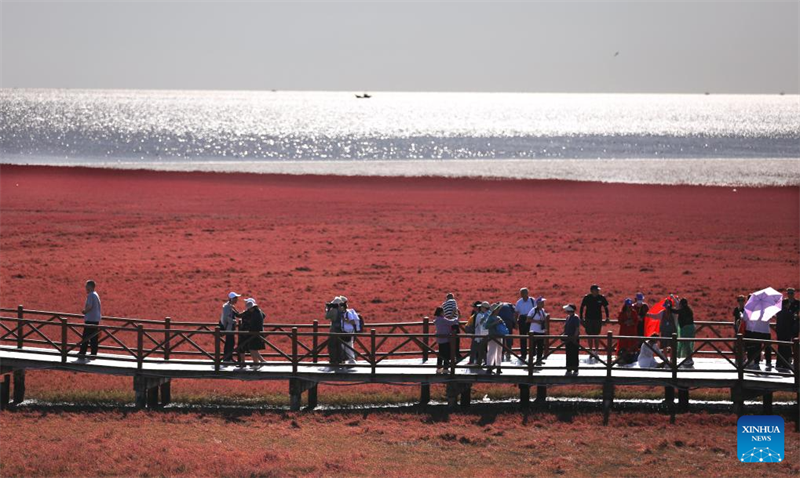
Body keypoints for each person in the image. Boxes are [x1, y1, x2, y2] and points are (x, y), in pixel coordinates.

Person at [580, 284, 609, 362]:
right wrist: (581, 318)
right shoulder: (587, 298)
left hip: (598, 319)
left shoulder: (601, 298)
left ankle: (596, 351)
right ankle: (590, 351)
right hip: (589, 319)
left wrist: (607, 317)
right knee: (589, 335)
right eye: (596, 290)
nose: (598, 291)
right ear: (592, 291)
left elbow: (606, 307)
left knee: (596, 335)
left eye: (598, 290)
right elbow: (582, 307)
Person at [743, 298, 773, 370]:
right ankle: (768, 362)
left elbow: (745, 317)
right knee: (768, 347)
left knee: (757, 347)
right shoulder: (767, 308)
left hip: (756, 330)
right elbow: (770, 317)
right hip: (766, 330)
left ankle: (756, 363)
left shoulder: (752, 307)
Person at [237, 298, 266, 368]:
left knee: (252, 348)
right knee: (253, 348)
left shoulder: (255, 314)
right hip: (257, 333)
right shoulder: (258, 312)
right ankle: (260, 362)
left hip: (255, 333)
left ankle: (257, 363)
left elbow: (253, 324)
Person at [78, 280, 102, 360]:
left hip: (90, 319)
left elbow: (89, 306)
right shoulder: (96, 294)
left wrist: (84, 311)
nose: (86, 288)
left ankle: (82, 352)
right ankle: (93, 353)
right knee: (93, 338)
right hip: (95, 319)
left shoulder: (91, 295)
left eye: (86, 286)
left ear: (90, 286)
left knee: (86, 336)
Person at [434, 306, 459, 373]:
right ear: (441, 313)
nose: (444, 313)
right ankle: (445, 368)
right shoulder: (442, 320)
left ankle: (439, 368)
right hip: (445, 339)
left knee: (440, 354)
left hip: (439, 340)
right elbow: (451, 322)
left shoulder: (437, 320)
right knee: (446, 354)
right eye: (443, 312)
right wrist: (458, 317)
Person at [219, 292, 243, 363]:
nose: (236, 300)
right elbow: (226, 317)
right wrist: (233, 321)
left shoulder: (231, 306)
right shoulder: (227, 306)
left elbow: (237, 314)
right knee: (229, 343)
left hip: (231, 328)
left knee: (231, 343)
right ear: (231, 299)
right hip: (228, 328)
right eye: (235, 298)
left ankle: (228, 358)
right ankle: (227, 359)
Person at [515, 288, 537, 360]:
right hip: (522, 319)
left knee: (532, 337)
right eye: (521, 293)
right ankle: (523, 354)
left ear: (527, 293)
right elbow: (516, 313)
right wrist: (516, 322)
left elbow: (536, 310)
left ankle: (532, 353)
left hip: (530, 319)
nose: (522, 295)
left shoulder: (532, 300)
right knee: (523, 337)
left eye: (523, 293)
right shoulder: (519, 302)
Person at [616, 298, 639, 365]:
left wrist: (632, 323)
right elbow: (619, 321)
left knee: (632, 344)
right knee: (623, 344)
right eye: (628, 305)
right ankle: (622, 357)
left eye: (630, 305)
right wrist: (625, 323)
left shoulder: (634, 312)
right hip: (624, 331)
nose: (629, 307)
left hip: (632, 331)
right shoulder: (622, 313)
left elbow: (636, 321)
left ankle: (631, 357)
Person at [527, 297, 549, 365]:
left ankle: (539, 360)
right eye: (542, 303)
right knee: (532, 346)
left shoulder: (542, 310)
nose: (543, 304)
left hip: (541, 331)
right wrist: (537, 321)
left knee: (540, 346)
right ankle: (531, 360)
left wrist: (545, 328)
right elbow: (528, 319)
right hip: (534, 331)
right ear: (538, 303)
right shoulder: (533, 310)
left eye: (543, 303)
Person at [485, 304, 506, 374]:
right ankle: (489, 367)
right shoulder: (490, 318)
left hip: (499, 336)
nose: (498, 310)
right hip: (492, 337)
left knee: (499, 352)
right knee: (491, 351)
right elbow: (486, 326)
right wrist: (495, 323)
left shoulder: (498, 317)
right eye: (497, 309)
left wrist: (501, 322)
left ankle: (498, 366)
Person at [468, 302, 491, 366]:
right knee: (483, 349)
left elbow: (481, 325)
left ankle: (477, 362)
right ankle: (483, 362)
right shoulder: (488, 314)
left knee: (478, 349)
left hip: (479, 335)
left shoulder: (479, 315)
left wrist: (481, 335)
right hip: (484, 334)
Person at [340, 296, 361, 365]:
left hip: (348, 331)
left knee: (349, 345)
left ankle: (351, 359)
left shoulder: (348, 313)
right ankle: (348, 359)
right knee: (345, 345)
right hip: (345, 331)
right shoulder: (344, 313)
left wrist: (345, 320)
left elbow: (352, 322)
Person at [325, 297, 346, 366]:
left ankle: (333, 360)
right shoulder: (342, 310)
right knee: (339, 345)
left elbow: (326, 317)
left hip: (334, 329)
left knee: (332, 345)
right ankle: (340, 359)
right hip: (341, 329)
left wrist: (327, 309)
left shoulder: (334, 310)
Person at [562, 304, 580, 376]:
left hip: (573, 339)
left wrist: (574, 338)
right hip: (568, 338)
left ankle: (575, 369)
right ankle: (569, 368)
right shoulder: (568, 317)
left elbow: (577, 329)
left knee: (574, 354)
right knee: (568, 353)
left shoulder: (575, 318)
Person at [677, 298, 695, 367]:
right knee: (688, 344)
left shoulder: (683, 310)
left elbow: (676, 311)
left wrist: (669, 308)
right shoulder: (688, 309)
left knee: (686, 344)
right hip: (690, 328)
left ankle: (689, 359)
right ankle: (689, 358)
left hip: (686, 329)